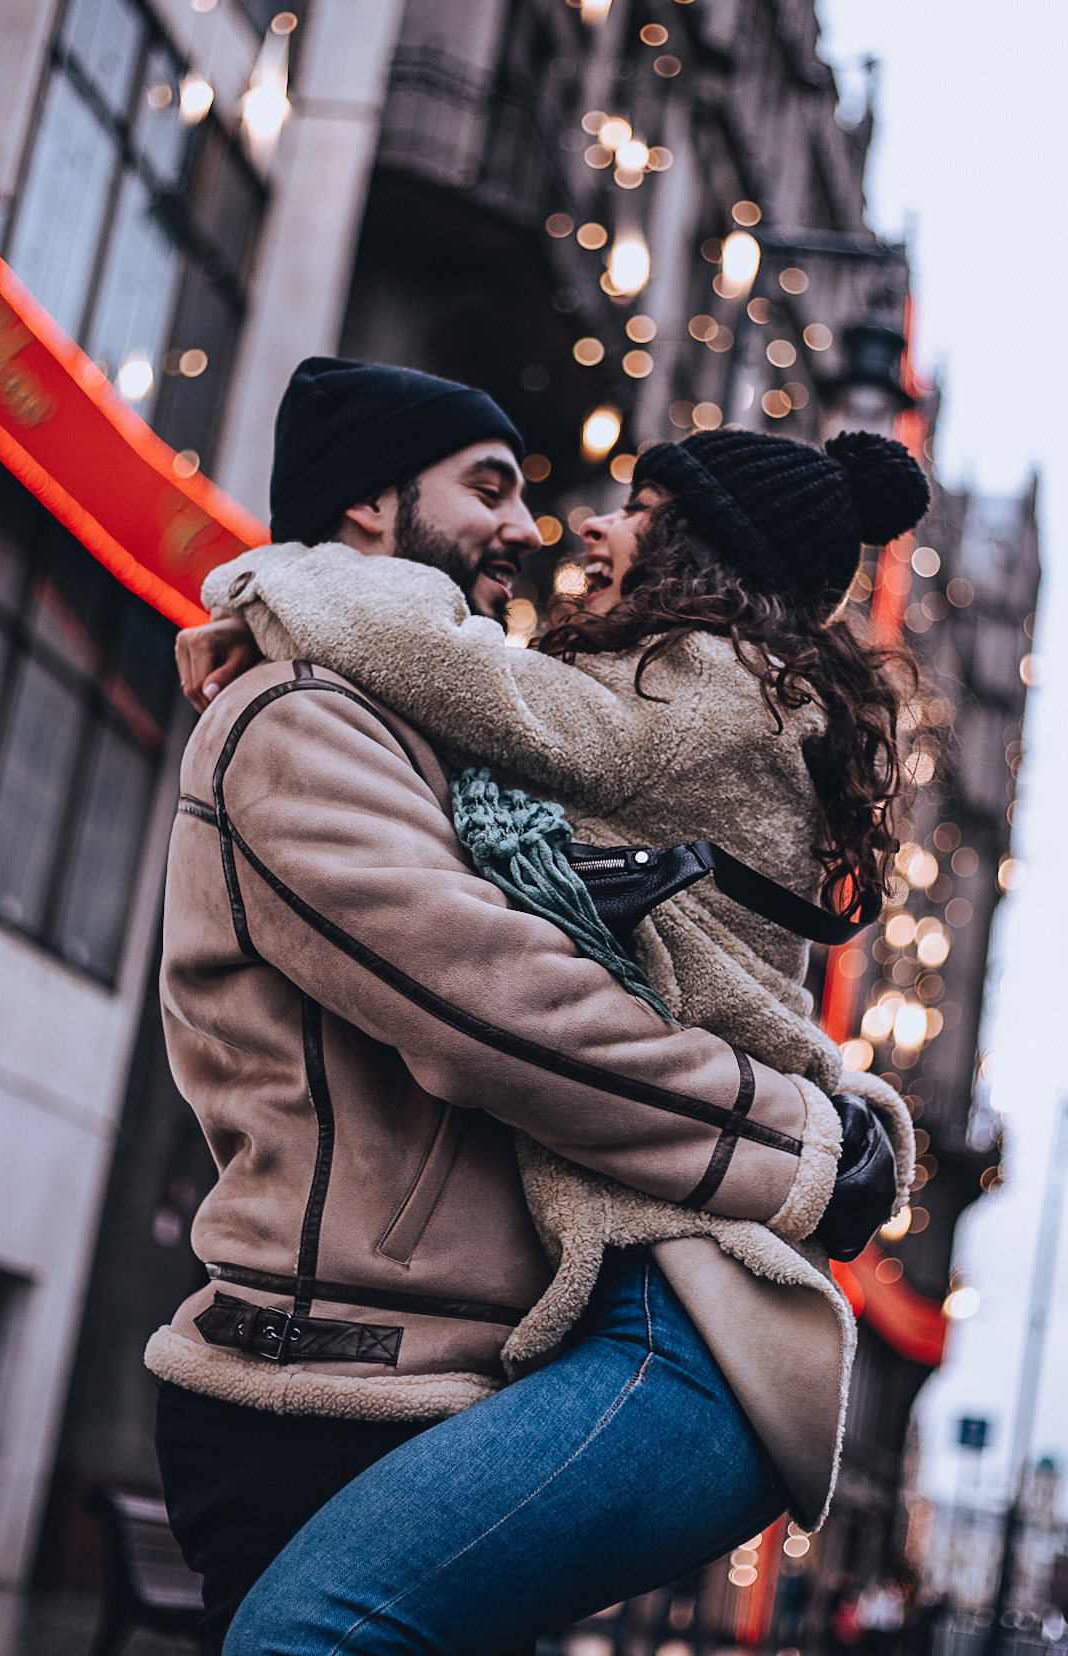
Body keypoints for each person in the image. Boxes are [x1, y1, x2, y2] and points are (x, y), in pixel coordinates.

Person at [158, 358, 906, 1656]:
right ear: (367, 512)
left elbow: (510, 763)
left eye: (636, 513)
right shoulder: (306, 724)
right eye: (489, 490)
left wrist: (279, 584)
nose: (554, 527)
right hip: (405, 1362)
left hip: (664, 1311)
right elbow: (488, 998)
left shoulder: (679, 691)